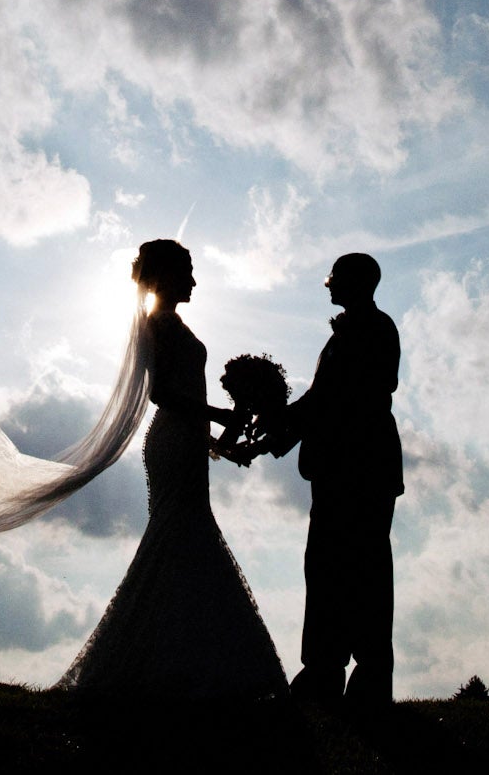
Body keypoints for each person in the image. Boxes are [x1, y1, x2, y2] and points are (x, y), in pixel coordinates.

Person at [58, 240, 289, 699]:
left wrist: (223, 437)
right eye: (187, 272)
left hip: (185, 439)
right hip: (169, 438)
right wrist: (221, 416)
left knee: (184, 535)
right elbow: (161, 394)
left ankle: (184, 659)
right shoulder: (156, 325)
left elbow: (189, 401)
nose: (195, 282)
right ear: (163, 278)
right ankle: (166, 662)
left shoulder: (176, 324)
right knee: (179, 533)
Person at [260, 252, 403, 707]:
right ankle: (326, 668)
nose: (327, 286)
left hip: (360, 466)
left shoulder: (374, 329)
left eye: (334, 278)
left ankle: (361, 673)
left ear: (357, 283)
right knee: (326, 567)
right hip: (342, 465)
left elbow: (340, 397)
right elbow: (324, 397)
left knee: (360, 569)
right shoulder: (353, 331)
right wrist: (278, 430)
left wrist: (284, 426)